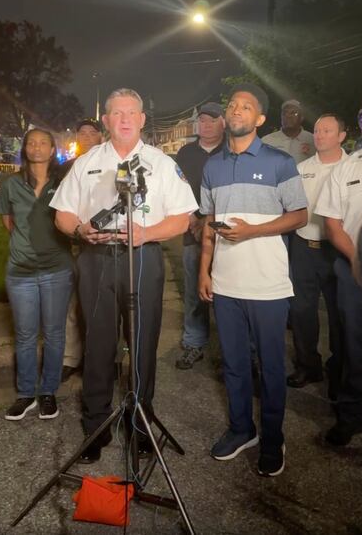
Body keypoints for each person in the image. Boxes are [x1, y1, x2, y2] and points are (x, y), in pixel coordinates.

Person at [50, 88, 198, 463]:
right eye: (118, 113)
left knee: (142, 342)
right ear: (107, 120)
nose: (126, 118)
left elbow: (182, 217)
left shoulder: (161, 163)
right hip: (96, 258)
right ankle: (96, 424)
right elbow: (62, 215)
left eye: (133, 112)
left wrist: (146, 233)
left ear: (143, 119)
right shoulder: (85, 162)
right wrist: (81, 229)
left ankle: (140, 422)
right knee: (98, 344)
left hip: (143, 257)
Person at [199, 82, 307, 477]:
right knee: (234, 364)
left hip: (268, 285)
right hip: (226, 284)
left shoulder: (280, 162)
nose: (237, 109)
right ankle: (242, 429)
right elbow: (208, 225)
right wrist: (204, 271)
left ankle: (273, 439)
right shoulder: (213, 166)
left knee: (272, 367)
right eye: (233, 104)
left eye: (246, 106)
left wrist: (253, 232)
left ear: (260, 119)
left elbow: (300, 216)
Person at [0, 129, 74, 421]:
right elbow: (9, 222)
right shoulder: (11, 184)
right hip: (21, 272)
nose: (37, 147)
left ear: (52, 149)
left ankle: (48, 392)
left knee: (54, 334)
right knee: (26, 335)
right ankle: (26, 393)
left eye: (43, 143)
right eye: (31, 143)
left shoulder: (63, 183)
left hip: (57, 269)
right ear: (25, 149)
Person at [315, 94, 362, 446]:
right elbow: (332, 223)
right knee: (354, 346)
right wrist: (357, 261)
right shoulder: (348, 168)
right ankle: (350, 416)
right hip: (354, 271)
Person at [287, 114, 347, 397]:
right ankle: (308, 365)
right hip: (303, 247)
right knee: (301, 311)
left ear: (342, 136)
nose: (320, 135)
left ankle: (340, 370)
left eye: (328, 130)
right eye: (318, 130)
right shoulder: (301, 169)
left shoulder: (352, 168)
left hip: (335, 250)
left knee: (340, 314)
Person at [175, 102, 225, 370]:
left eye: (212, 120)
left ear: (223, 124)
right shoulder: (185, 153)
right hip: (192, 232)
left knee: (229, 292)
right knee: (195, 289)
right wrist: (192, 219)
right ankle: (194, 342)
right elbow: (177, 189)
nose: (206, 124)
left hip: (227, 232)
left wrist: (208, 220)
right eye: (202, 120)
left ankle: (236, 349)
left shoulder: (231, 150)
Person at [59, 119, 103, 382]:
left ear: (101, 136)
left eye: (92, 132)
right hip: (69, 245)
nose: (87, 137)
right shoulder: (64, 168)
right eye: (82, 133)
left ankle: (98, 358)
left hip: (99, 246)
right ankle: (70, 358)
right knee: (71, 305)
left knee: (100, 306)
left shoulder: (109, 165)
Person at [262, 99, 315, 164]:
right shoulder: (267, 141)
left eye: (294, 113)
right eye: (285, 113)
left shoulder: (313, 140)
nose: (288, 116)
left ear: (301, 118)